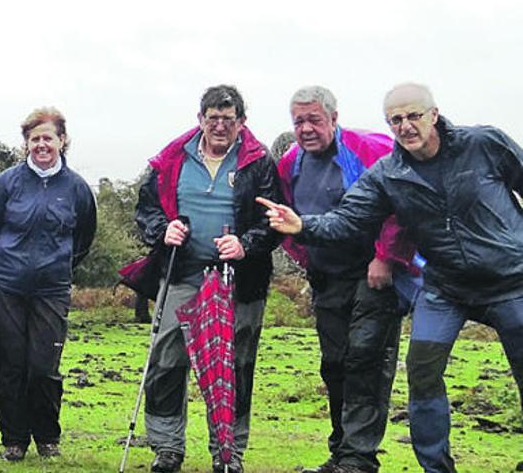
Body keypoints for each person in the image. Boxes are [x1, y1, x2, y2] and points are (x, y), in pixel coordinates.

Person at [258, 82, 523, 473]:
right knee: (422, 372)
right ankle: (436, 467)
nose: (406, 126)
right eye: (396, 119)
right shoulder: (389, 173)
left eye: (414, 115)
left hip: (510, 281)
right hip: (445, 288)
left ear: (434, 114)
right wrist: (303, 225)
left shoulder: (484, 144)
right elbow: (348, 219)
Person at [134, 85, 282, 473]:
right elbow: (146, 209)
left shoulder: (259, 162)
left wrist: (246, 243)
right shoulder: (171, 159)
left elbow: (275, 219)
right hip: (181, 271)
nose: (219, 126)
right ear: (200, 119)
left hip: (240, 278)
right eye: (212, 118)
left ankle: (228, 451)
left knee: (235, 364)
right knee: (166, 360)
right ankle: (167, 447)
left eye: (227, 120)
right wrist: (162, 230)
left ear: (241, 123)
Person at [277, 86, 416, 473]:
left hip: (373, 271)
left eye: (314, 120)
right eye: (298, 121)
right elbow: (288, 216)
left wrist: (385, 257)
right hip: (328, 275)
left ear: (334, 119)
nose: (305, 129)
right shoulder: (291, 163)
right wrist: (305, 258)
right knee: (334, 363)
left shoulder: (368, 149)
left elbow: (400, 204)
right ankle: (341, 452)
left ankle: (359, 458)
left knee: (365, 358)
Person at [0, 107, 96, 462]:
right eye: (34, 138)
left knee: (43, 366)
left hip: (51, 289)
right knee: (9, 364)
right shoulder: (7, 183)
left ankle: (47, 436)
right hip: (3, 284)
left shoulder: (78, 189)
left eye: (48, 138)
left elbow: (83, 238)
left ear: (62, 141)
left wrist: (59, 267)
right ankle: (14, 439)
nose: (41, 144)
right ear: (26, 144)